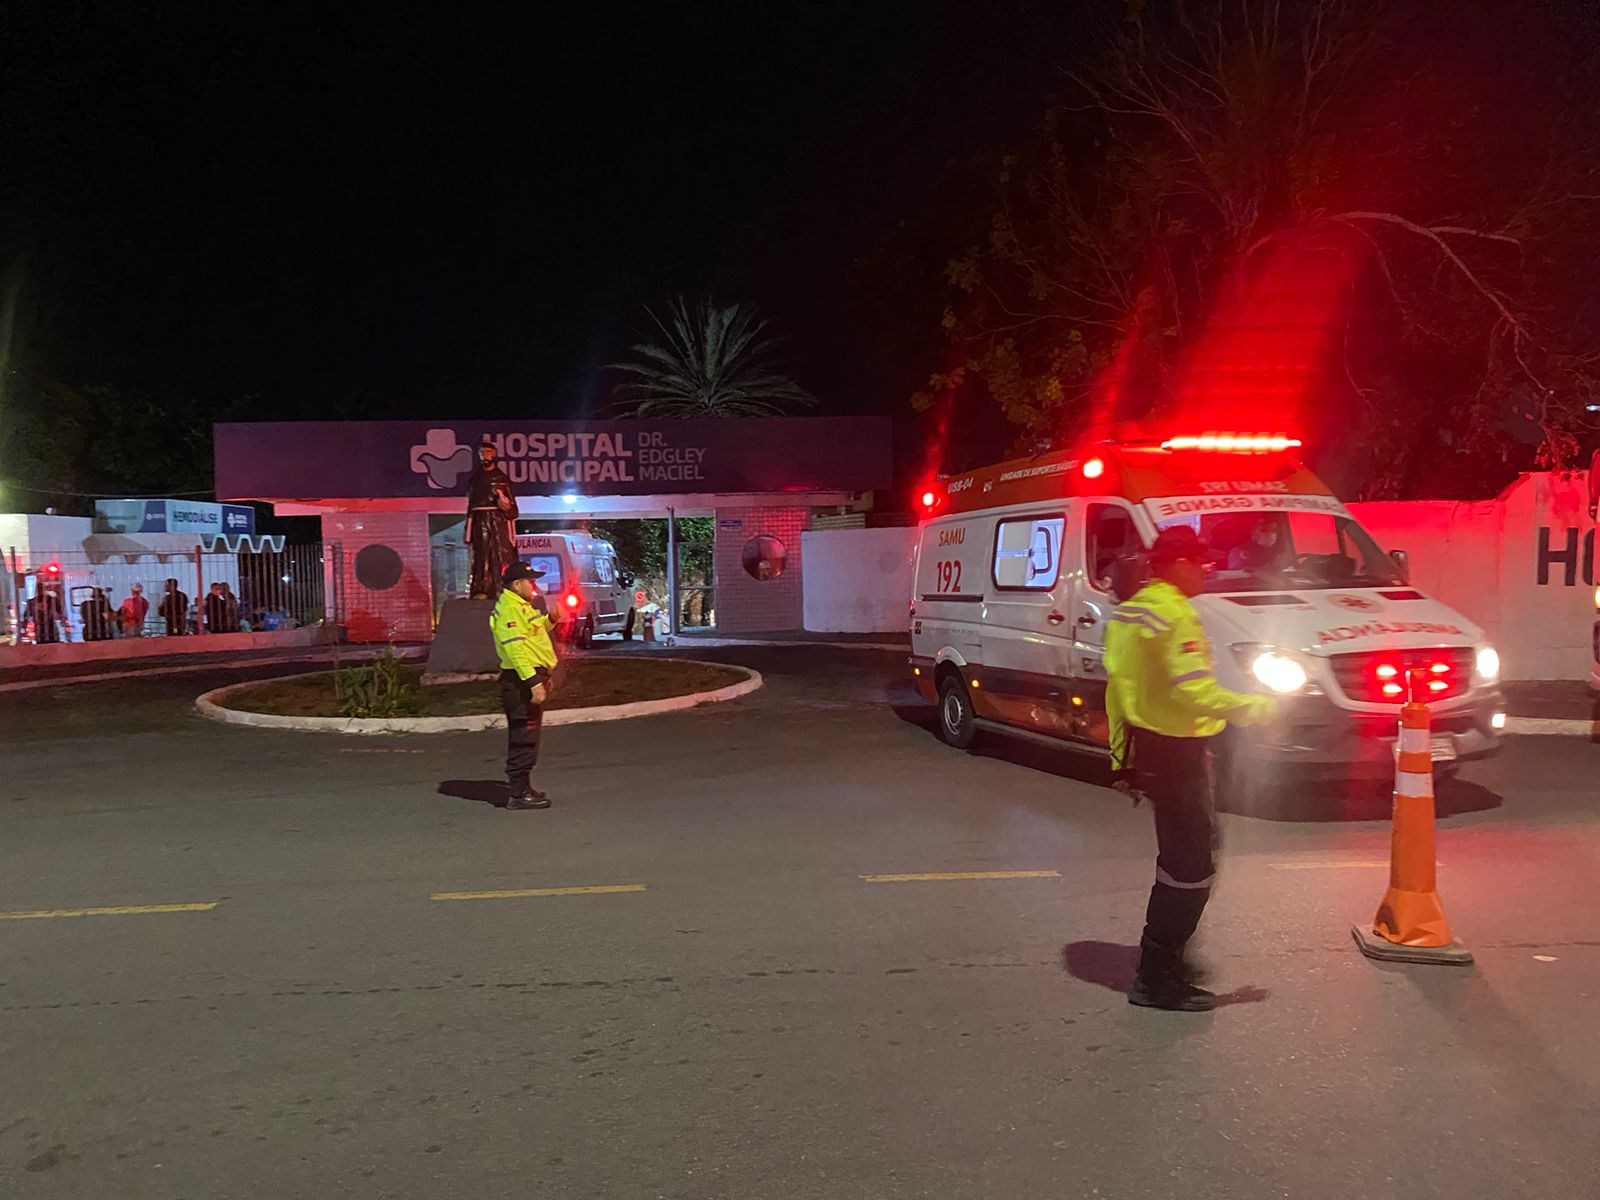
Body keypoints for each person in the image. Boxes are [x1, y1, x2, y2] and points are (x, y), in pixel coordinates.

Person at [1105, 526, 1279, 1012]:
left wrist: (1121, 760)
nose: (1208, 570)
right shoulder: (1175, 615)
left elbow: (1116, 691)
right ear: (1178, 565)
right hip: (1178, 754)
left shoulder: (1130, 613)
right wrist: (1261, 707)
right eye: (1201, 563)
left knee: (1187, 856)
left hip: (1154, 751)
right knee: (1190, 868)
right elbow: (1195, 692)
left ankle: (1167, 958)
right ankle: (1156, 977)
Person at [491, 559, 558, 810]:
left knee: (529, 734)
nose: (533, 587)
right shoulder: (509, 609)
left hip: (526, 678)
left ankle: (523, 786)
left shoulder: (521, 606)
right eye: (529, 582)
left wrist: (552, 618)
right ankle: (518, 794)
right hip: (520, 681)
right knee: (523, 735)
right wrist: (533, 682)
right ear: (516, 584)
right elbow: (515, 649)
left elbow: (534, 630)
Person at [465, 444, 520, 599]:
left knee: (500, 554)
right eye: (482, 452)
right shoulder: (475, 478)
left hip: (498, 521)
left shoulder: (501, 477)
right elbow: (471, 505)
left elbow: (512, 508)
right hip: (480, 520)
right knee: (481, 556)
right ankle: (481, 589)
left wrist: (506, 507)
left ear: (494, 454)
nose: (485, 455)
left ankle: (502, 587)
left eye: (488, 452)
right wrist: (468, 530)